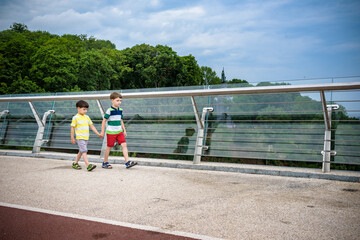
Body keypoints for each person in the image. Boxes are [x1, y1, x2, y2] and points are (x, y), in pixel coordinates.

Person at [100, 92, 137, 169]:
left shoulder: (120, 110)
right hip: (111, 132)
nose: (119, 102)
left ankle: (127, 162)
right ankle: (105, 162)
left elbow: (121, 120)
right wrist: (102, 131)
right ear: (112, 100)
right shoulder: (109, 110)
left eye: (120, 100)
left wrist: (124, 130)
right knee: (109, 147)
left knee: (124, 145)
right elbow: (104, 121)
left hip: (119, 132)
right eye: (117, 100)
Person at [71, 100, 102, 171]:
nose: (85, 111)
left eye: (86, 109)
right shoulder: (75, 118)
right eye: (84, 109)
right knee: (84, 150)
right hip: (80, 137)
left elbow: (92, 126)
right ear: (78, 108)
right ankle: (88, 165)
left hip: (86, 137)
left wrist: (98, 134)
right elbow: (72, 128)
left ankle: (75, 163)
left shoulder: (87, 117)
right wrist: (72, 138)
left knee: (81, 151)